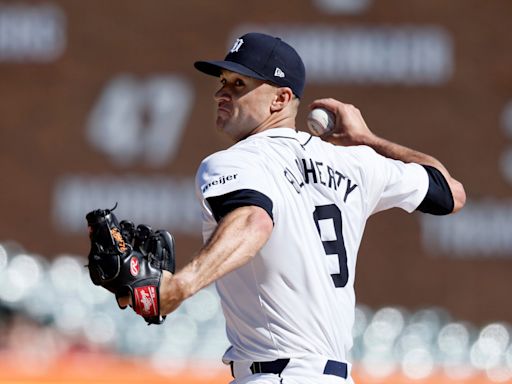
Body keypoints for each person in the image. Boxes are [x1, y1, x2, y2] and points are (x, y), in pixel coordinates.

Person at [153, 32, 465, 383]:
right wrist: (368, 140)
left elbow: (254, 221)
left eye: (238, 83)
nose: (221, 93)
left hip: (275, 375)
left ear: (281, 98)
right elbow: (450, 193)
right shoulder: (356, 163)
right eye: (223, 82)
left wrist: (180, 286)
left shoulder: (234, 162)